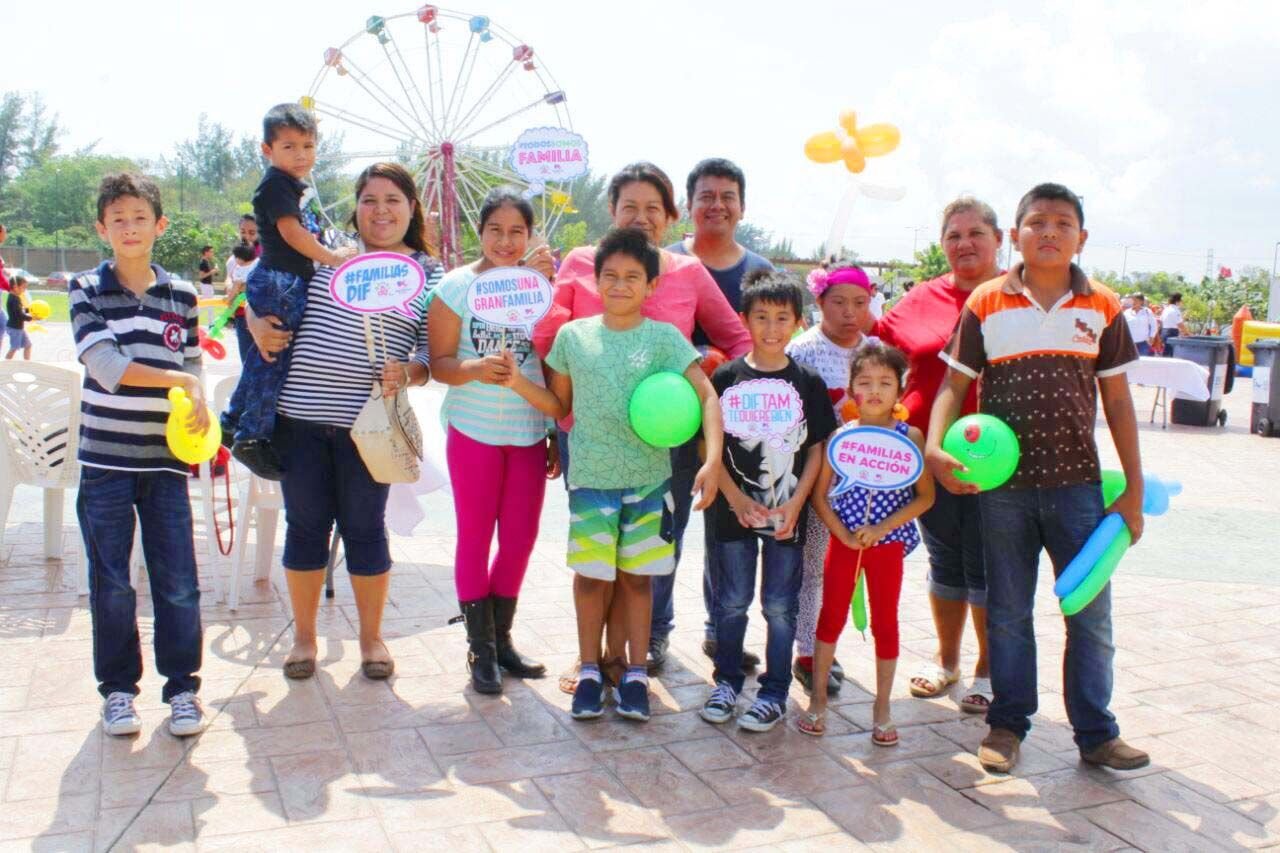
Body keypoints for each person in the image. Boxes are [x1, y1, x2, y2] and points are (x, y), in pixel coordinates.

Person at [927, 182, 1149, 773]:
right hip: (1004, 492)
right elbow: (953, 385)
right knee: (1007, 612)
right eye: (1037, 222)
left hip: (1078, 489)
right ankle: (1007, 726)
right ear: (1016, 236)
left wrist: (1133, 488)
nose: (1049, 232)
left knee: (1090, 615)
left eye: (1062, 223)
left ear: (1081, 237)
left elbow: (1120, 402)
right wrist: (933, 448)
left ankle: (1097, 733)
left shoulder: (1102, 306)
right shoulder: (986, 305)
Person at [532, 162, 750, 680]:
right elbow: (548, 343)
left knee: (652, 547)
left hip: (664, 443)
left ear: (672, 217)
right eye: (629, 206)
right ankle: (596, 655)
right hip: (589, 437)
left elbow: (738, 340)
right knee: (598, 549)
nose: (641, 217)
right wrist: (536, 287)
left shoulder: (688, 272)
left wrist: (709, 372)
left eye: (654, 208)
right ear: (611, 211)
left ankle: (643, 643)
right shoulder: (581, 263)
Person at [508, 227, 724, 723]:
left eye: (633, 277)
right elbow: (560, 405)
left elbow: (708, 396)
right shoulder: (572, 337)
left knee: (635, 581)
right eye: (611, 276)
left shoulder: (666, 340)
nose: (621, 285)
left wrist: (711, 460)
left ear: (651, 287)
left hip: (649, 482)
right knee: (590, 577)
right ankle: (588, 670)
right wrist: (519, 382)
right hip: (591, 480)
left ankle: (633, 674)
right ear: (595, 281)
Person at [247, 162, 440, 681]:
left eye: (393, 200)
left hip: (370, 429)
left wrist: (411, 372)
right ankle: (304, 639)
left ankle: (372, 639)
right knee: (305, 528)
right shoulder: (326, 252)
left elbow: (432, 355)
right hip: (299, 418)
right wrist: (255, 322)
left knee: (366, 530)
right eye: (370, 199)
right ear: (355, 206)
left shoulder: (428, 272)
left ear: (411, 207)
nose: (381, 210)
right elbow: (262, 287)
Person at [69, 173, 209, 738]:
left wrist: (196, 396)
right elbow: (107, 368)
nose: (130, 228)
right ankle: (119, 692)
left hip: (166, 463)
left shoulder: (183, 296)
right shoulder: (85, 289)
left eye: (140, 217)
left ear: (160, 224)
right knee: (113, 581)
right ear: (103, 229)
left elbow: (195, 366)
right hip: (105, 462)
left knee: (177, 580)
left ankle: (182, 691)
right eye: (118, 219)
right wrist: (180, 379)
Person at [428, 186, 559, 695]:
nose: (505, 241)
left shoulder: (539, 291)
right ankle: (479, 651)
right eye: (495, 230)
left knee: (521, 540)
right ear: (479, 233)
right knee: (476, 537)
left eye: (517, 232)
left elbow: (551, 366)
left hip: (527, 433)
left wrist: (551, 432)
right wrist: (475, 368)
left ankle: (502, 640)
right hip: (474, 432)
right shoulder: (456, 287)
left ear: (529, 236)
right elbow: (439, 365)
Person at [873, 197, 999, 713]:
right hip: (929, 460)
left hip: (1000, 464)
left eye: (975, 233)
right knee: (945, 561)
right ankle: (946, 661)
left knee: (990, 567)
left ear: (998, 239)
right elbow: (875, 355)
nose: (964, 243)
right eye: (953, 235)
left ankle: (989, 670)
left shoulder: (1016, 297)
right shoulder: (920, 299)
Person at [699, 271, 834, 732]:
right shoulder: (724, 377)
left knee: (780, 606)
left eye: (782, 318)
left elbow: (817, 448)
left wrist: (797, 503)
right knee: (731, 602)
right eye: (761, 317)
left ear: (798, 322)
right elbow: (709, 445)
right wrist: (734, 497)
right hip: (731, 513)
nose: (772, 328)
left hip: (785, 515)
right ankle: (727, 682)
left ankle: (774, 691)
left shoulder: (807, 383)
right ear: (744, 320)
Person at [667, 157, 773, 668]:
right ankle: (655, 632)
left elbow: (771, 348)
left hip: (738, 431)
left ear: (742, 207)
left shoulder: (759, 271)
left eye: (727, 196)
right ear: (688, 206)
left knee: (726, 535)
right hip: (665, 425)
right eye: (706, 196)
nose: (717, 205)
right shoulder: (663, 261)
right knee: (667, 529)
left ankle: (720, 631)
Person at [799, 344, 934, 741]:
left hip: (887, 544)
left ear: (899, 389)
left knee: (886, 622)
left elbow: (925, 496)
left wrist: (882, 527)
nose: (875, 390)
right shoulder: (840, 437)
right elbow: (820, 495)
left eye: (885, 383)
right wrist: (841, 533)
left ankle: (882, 705)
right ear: (853, 387)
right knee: (831, 617)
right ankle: (818, 700)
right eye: (865, 382)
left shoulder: (911, 436)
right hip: (843, 544)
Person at [224, 103, 355, 480]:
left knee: (266, 358)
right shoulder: (277, 185)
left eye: (308, 146)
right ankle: (252, 436)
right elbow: (291, 233)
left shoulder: (290, 186)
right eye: (289, 146)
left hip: (281, 279)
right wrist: (330, 258)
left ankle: (234, 420)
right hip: (281, 280)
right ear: (267, 150)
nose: (301, 155)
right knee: (273, 359)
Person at [785, 263, 878, 694]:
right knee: (813, 568)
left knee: (848, 567)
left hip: (865, 485)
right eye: (838, 302)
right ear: (819, 302)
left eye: (859, 303)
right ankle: (807, 650)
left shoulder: (876, 350)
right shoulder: (802, 351)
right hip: (816, 480)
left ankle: (825, 642)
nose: (849, 312)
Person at [5, 276, 33, 360]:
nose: (24, 290)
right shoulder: (13, 299)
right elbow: (19, 315)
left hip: (18, 328)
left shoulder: (16, 298)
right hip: (14, 329)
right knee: (14, 348)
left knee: (28, 345)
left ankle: (27, 364)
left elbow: (21, 310)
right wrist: (31, 318)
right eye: (23, 287)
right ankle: (5, 365)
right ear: (15, 287)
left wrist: (29, 310)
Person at [1124, 292, 1158, 356]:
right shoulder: (1126, 312)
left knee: (1142, 362)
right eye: (1132, 300)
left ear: (1141, 301)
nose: (1133, 302)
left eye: (1136, 300)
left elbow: (1154, 325)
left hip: (1143, 343)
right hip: (1129, 343)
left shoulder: (1147, 311)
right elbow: (1123, 327)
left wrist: (1152, 337)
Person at [1160, 292, 1189, 356]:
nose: (1182, 302)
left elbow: (1161, 322)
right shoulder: (1175, 310)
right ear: (1177, 301)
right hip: (1171, 333)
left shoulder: (1166, 309)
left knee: (1165, 353)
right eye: (1181, 300)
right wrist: (1188, 333)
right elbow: (1180, 324)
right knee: (1171, 354)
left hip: (1164, 332)